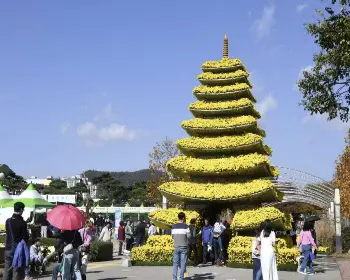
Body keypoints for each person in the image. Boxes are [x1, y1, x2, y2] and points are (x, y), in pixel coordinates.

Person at [4, 201, 29, 280]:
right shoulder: (23, 223)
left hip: (8, 248)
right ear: (21, 210)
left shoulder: (8, 221)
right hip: (17, 250)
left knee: (7, 270)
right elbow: (25, 238)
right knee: (16, 271)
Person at [171, 212, 191, 280]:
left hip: (176, 247)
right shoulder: (186, 226)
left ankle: (174, 278)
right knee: (183, 263)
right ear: (183, 218)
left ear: (178, 217)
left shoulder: (173, 226)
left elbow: (173, 236)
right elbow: (189, 236)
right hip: (184, 247)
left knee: (175, 263)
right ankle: (181, 278)